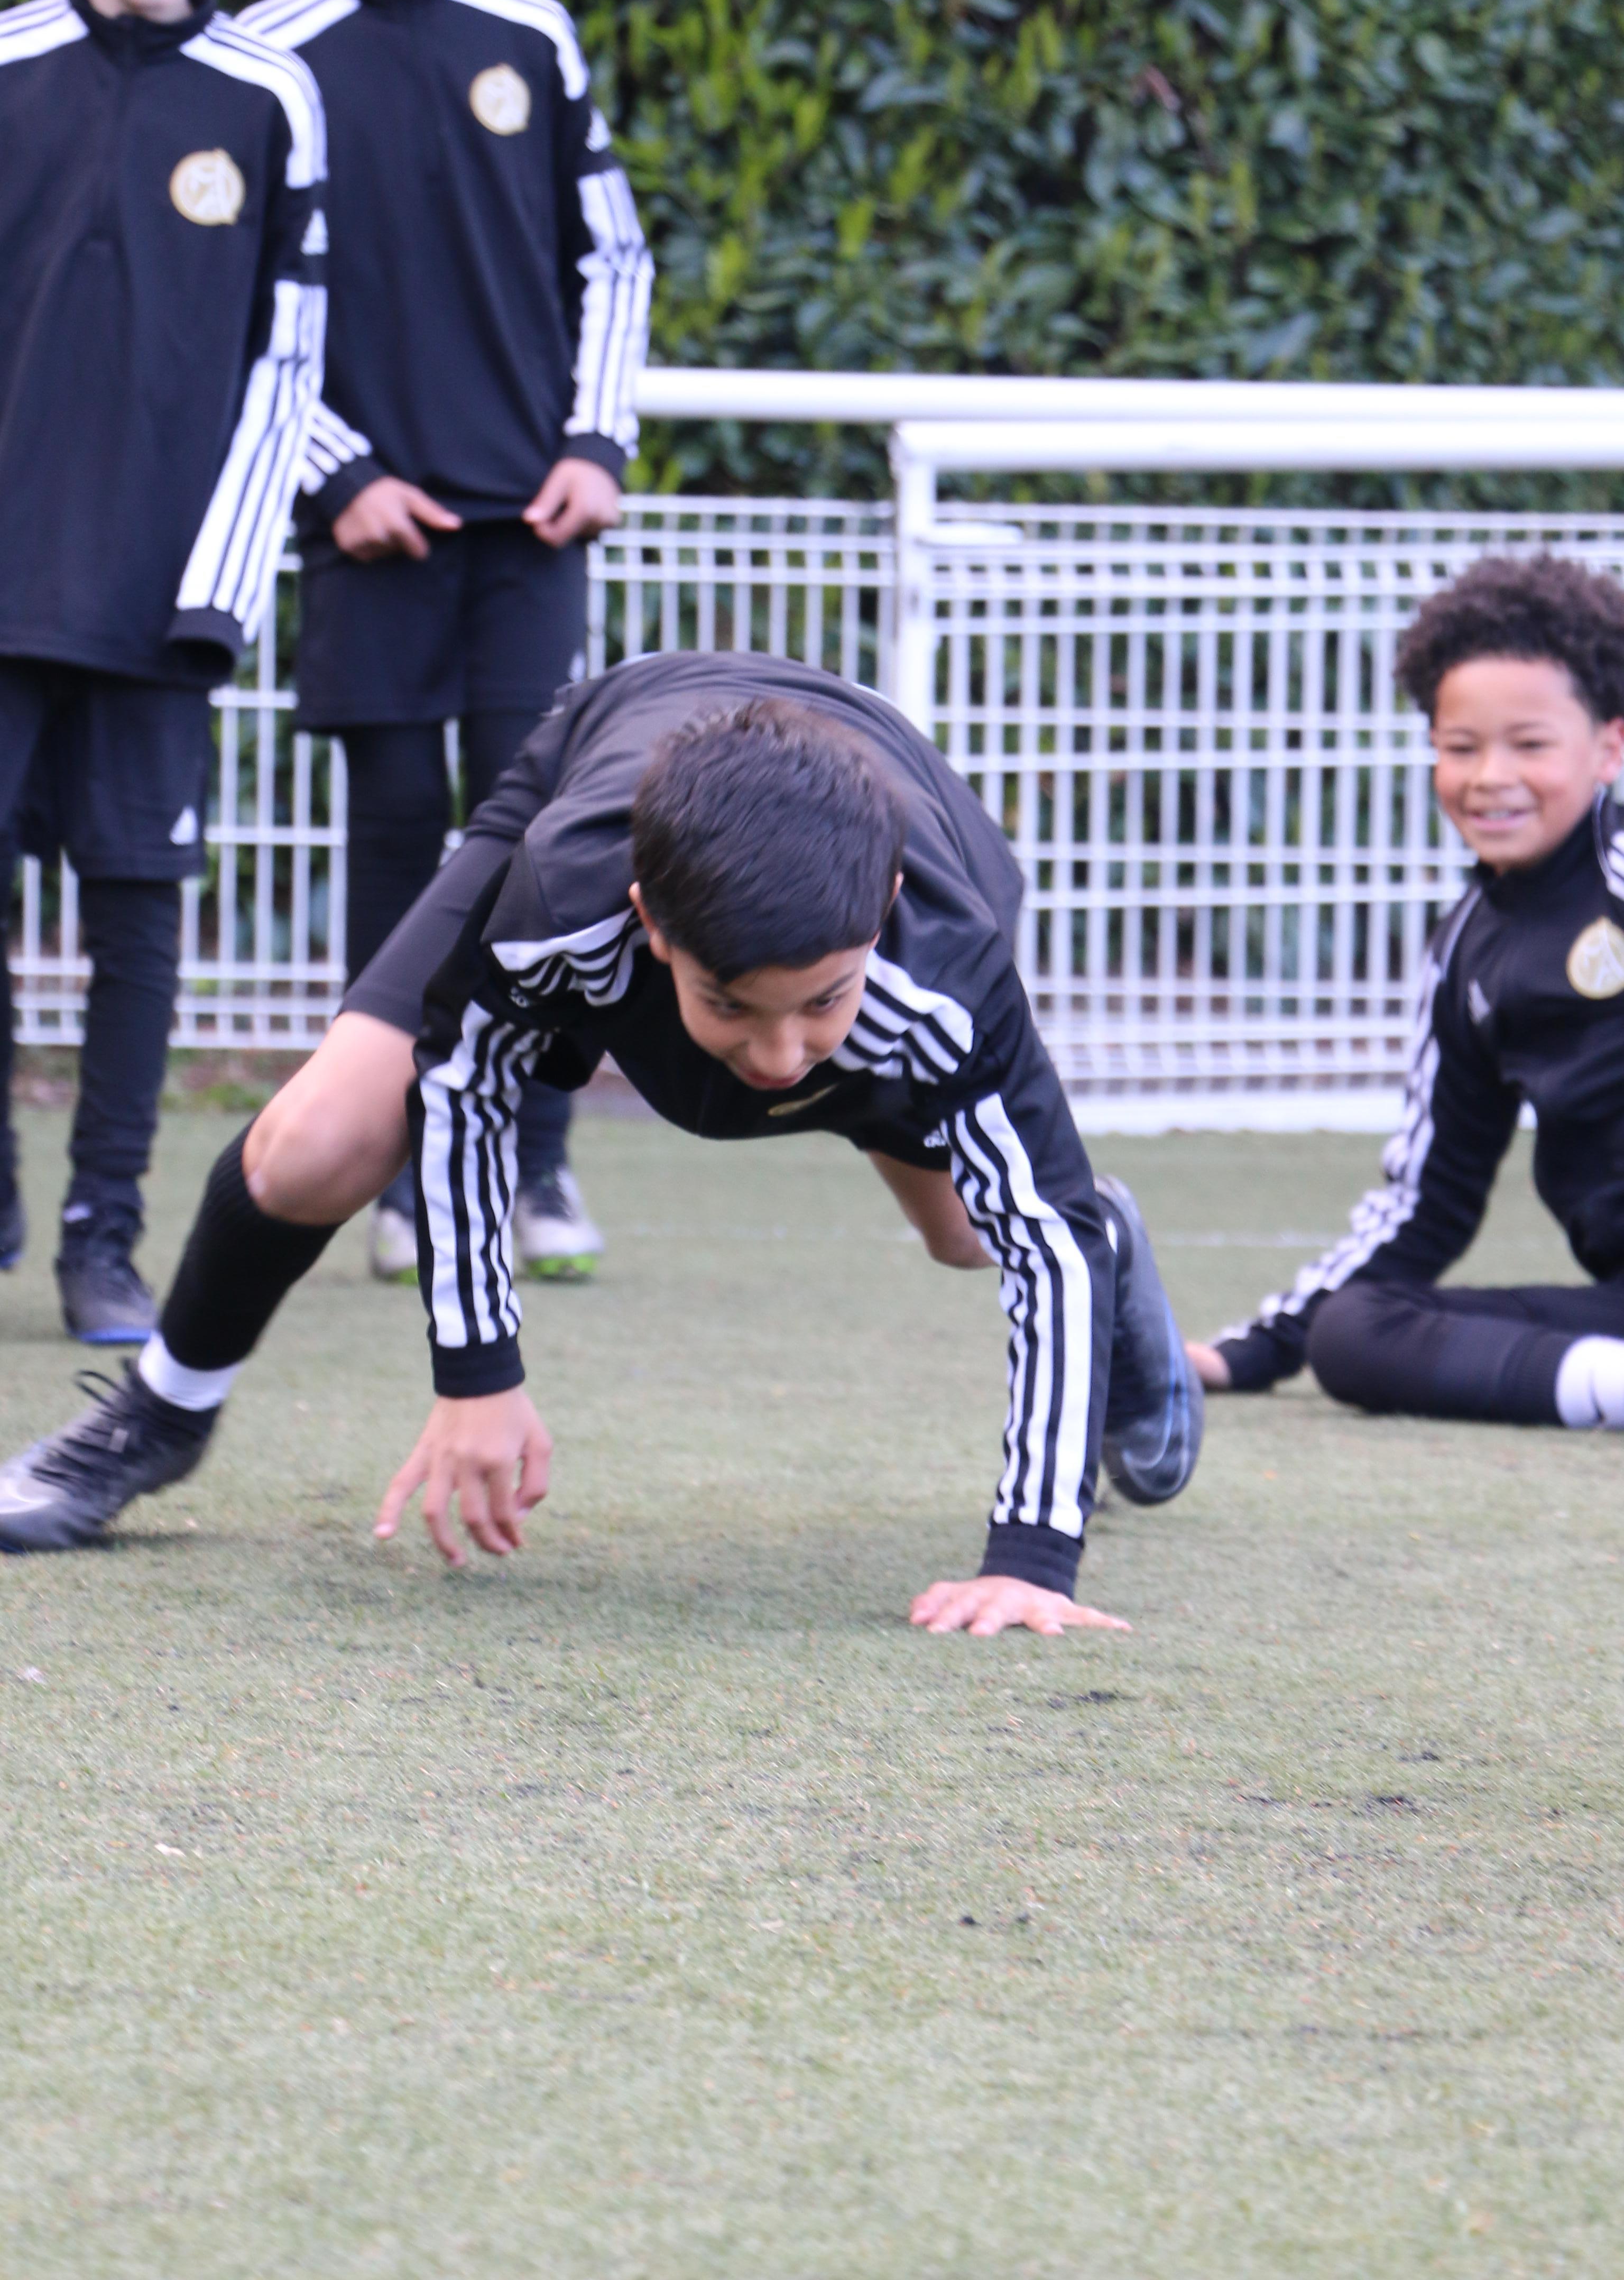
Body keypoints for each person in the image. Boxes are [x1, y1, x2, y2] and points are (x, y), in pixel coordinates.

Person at [0, 652, 1203, 1634]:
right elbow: (467, 1089)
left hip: (885, 816)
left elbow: (1039, 1246)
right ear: (650, 927)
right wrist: (478, 1378)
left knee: (974, 1231)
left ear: (884, 917)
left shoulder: (947, 962)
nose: (783, 1059)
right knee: (314, 1141)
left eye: (821, 1007)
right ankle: (158, 1414)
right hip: (610, 747)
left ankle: (1117, 1227)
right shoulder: (561, 900)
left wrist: (1033, 1559)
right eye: (733, 1005)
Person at [236, 0, 651, 1287]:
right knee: (402, 853)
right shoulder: (267, 58)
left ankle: (537, 1169)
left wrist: (595, 442)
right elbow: (243, 314)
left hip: (528, 535)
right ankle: (402, 1177)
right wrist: (341, 473)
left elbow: (613, 261)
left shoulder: (529, 34)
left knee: (548, 849)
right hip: (371, 541)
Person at [0, 0, 327, 1340]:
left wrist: (222, 584)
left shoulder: (271, 99)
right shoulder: (2, 67)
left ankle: (100, 1239)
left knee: (139, 924)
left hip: (158, 609)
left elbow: (292, 368)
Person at [1187, 554, 1624, 1429]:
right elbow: (1428, 1200)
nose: (1490, 776)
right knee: (1356, 1332)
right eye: (1461, 748)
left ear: (1610, 745)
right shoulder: (1466, 954)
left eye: (1530, 745)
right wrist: (1256, 1349)